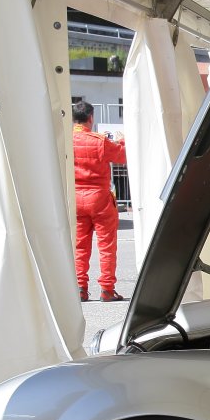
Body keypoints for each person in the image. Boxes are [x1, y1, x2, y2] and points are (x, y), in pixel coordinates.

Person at [72, 99, 127, 302]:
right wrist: (122, 141)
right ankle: (107, 289)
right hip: (99, 199)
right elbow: (122, 156)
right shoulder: (99, 141)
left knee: (80, 246)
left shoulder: (66, 142)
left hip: (76, 199)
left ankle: (80, 288)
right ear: (90, 118)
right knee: (106, 246)